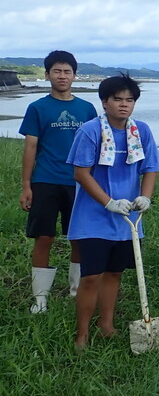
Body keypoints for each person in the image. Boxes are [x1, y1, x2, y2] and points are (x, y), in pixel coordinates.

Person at [66, 73, 159, 349]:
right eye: (117, 99)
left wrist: (145, 197)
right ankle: (82, 334)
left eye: (129, 100)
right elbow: (81, 173)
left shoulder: (140, 131)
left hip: (127, 218)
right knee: (91, 275)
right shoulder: (90, 131)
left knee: (115, 273)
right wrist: (108, 202)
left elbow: (151, 168)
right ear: (104, 102)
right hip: (93, 217)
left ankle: (106, 325)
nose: (124, 105)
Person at [19, 50, 97, 313]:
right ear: (47, 74)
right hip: (46, 180)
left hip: (80, 182)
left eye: (67, 71)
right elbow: (31, 147)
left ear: (75, 75)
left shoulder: (86, 108)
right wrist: (26, 185)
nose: (62, 76)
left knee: (78, 237)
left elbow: (96, 146)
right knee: (44, 237)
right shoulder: (37, 108)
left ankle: (76, 292)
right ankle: (40, 298)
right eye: (57, 71)